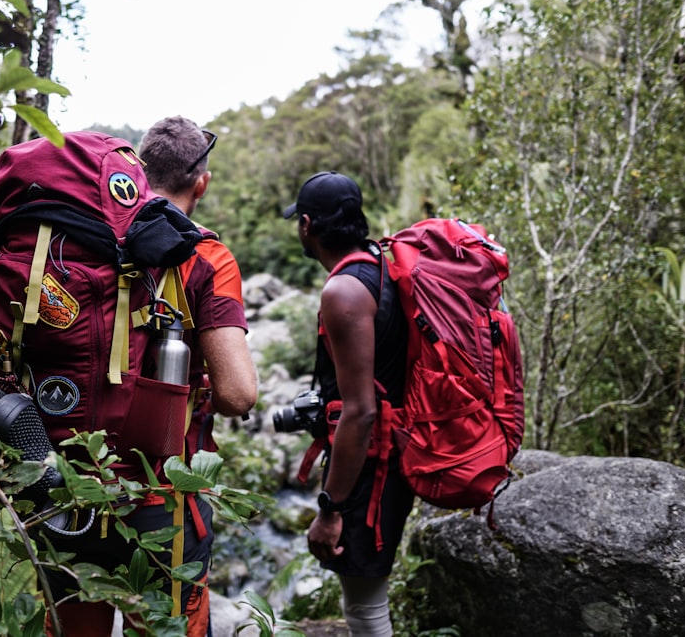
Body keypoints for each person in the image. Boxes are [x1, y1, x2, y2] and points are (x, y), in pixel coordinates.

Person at [44, 117, 257, 637]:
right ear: (200, 182)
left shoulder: (79, 243)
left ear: (137, 171)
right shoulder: (206, 257)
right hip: (162, 501)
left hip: (67, 491)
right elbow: (238, 394)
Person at [283, 171, 414, 636]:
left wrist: (330, 508)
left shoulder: (343, 291)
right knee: (365, 599)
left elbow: (361, 411)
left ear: (306, 224)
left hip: (371, 467)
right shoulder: (381, 266)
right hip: (390, 456)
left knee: (364, 606)